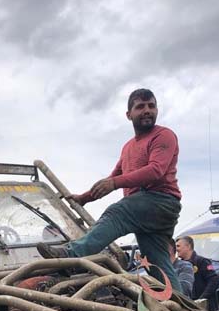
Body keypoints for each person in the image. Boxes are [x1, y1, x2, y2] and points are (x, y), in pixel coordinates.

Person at [37, 88, 183, 293]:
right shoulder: (128, 147)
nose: (147, 110)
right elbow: (114, 177)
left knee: (117, 212)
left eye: (151, 106)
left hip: (161, 202)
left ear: (157, 110)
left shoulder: (163, 135)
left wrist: (115, 183)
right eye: (140, 107)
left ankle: (71, 255)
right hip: (144, 212)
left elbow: (155, 170)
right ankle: (182, 306)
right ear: (129, 115)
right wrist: (85, 197)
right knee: (155, 263)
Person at [176, 235, 219, 310]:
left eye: (178, 246)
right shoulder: (179, 265)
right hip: (190, 306)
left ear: (188, 246)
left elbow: (214, 280)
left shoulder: (203, 261)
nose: (176, 249)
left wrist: (202, 299)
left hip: (206, 308)